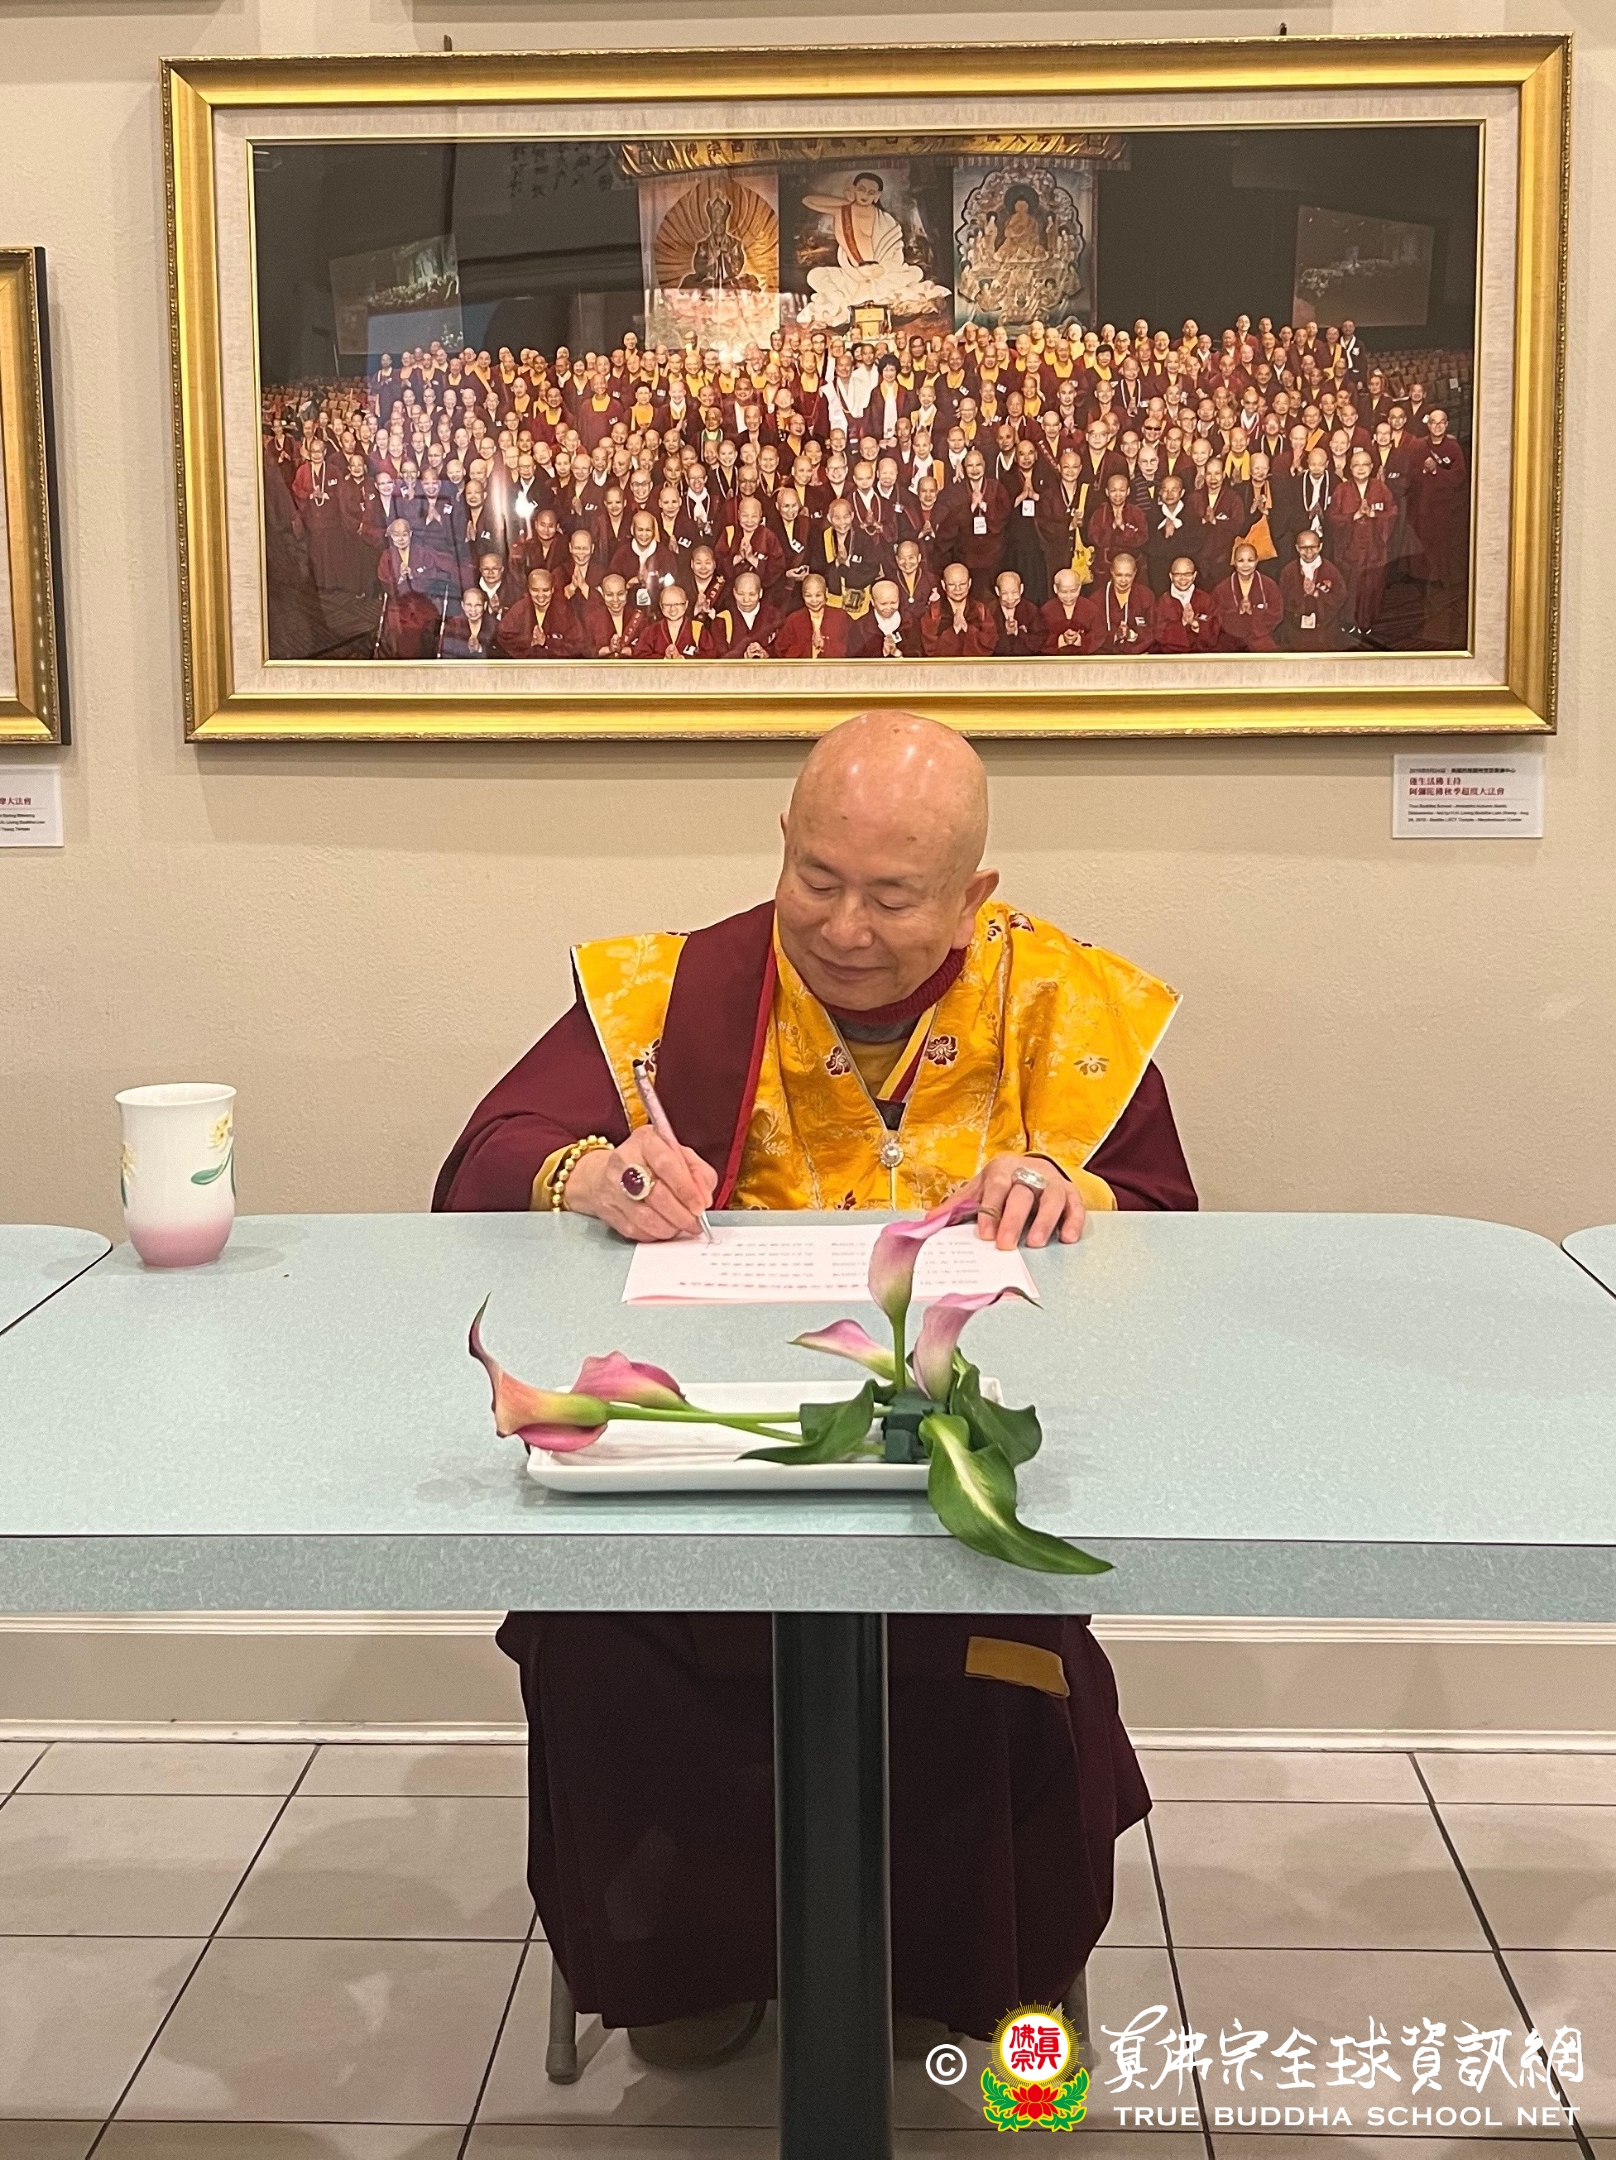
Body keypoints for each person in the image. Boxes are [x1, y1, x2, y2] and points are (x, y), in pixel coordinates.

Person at [435, 710, 1195, 2054]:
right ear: (782, 846)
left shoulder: (1063, 1004)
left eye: (893, 898)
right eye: (816, 879)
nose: (844, 928)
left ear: (972, 894)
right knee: (605, 1647)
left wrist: (1066, 1191)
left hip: (940, 1467)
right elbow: (491, 1154)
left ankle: (942, 1968)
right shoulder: (676, 990)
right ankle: (682, 1970)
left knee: (979, 1671)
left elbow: (1168, 1230)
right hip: (701, 1452)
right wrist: (595, 1173)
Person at [1279, 528, 1347, 651]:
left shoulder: (1331, 570)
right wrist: (1302, 594)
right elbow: (1282, 599)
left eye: (1313, 547)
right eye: (1304, 547)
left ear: (1320, 547)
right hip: (1296, 629)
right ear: (1297, 548)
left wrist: (1316, 594)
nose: (1309, 551)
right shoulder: (1288, 571)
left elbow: (1341, 597)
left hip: (1325, 628)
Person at [1214, 540, 1285, 652]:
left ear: (1256, 561)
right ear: (1234, 562)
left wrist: (1253, 612)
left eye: (1250, 560)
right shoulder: (1222, 588)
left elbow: (1277, 613)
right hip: (1230, 640)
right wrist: (1238, 611)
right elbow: (1216, 616)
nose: (1245, 565)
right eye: (1241, 560)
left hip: (1261, 638)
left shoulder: (1269, 585)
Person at [1152, 555, 1219, 653]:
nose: (1183, 578)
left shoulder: (1206, 600)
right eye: (1178, 574)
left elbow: (1214, 636)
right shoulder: (1162, 602)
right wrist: (1182, 623)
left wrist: (1195, 624)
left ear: (1194, 575)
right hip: (1170, 656)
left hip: (1201, 657)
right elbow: (1159, 635)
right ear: (1171, 576)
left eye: (1187, 574)